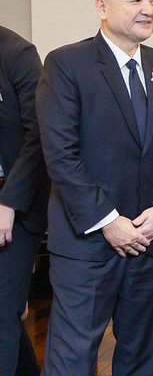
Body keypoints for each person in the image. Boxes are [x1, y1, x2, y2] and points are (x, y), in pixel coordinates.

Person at [36, 0, 153, 375]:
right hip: (86, 243)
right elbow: (61, 155)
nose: (148, 9)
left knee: (144, 356)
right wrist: (109, 221)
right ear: (102, 7)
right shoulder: (66, 63)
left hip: (149, 238)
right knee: (72, 358)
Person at [0, 25, 49, 376]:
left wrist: (9, 203)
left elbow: (39, 136)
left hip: (15, 201)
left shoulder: (18, 54)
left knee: (2, 307)